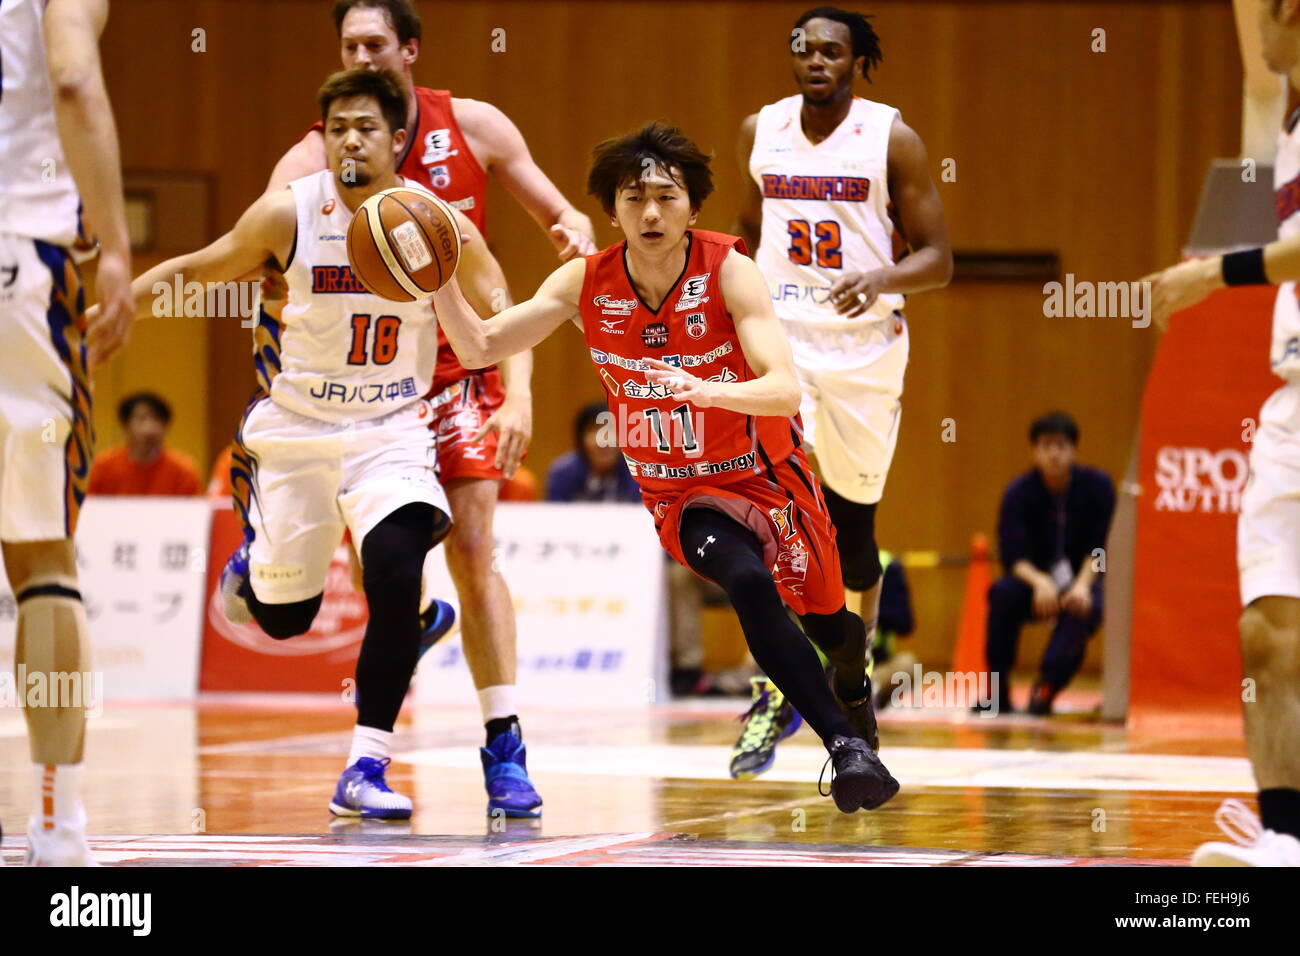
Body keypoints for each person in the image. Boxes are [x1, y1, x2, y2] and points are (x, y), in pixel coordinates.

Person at [432, 121, 900, 814]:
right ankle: (846, 750)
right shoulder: (584, 282)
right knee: (744, 579)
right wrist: (434, 279)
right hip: (682, 493)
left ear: (693, 206)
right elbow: (478, 345)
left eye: (665, 196)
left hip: (766, 474)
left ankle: (853, 694)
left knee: (834, 626)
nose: (650, 212)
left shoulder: (729, 270)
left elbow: (783, 388)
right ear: (611, 209)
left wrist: (707, 390)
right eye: (632, 197)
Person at [110, 68, 514, 820]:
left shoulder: (438, 223)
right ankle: (253, 571)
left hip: (390, 431)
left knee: (396, 574)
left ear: (398, 140)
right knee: (285, 619)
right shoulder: (288, 213)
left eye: (365, 127)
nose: (350, 139)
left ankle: (365, 765)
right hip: (296, 432)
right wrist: (104, 320)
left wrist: (517, 389)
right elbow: (199, 271)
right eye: (336, 128)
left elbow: (501, 307)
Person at [261, 0, 598, 817]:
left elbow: (560, 219)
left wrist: (577, 233)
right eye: (350, 45)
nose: (365, 55)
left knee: (475, 547)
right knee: (386, 574)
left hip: (463, 360)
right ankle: (386, 616)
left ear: (409, 51)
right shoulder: (314, 151)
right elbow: (268, 263)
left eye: (377, 42)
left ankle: (504, 746)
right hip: (365, 388)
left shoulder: (474, 126)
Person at [730, 6, 952, 769]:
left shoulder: (892, 136)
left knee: (855, 541)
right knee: (779, 518)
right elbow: (748, 232)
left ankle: (849, 682)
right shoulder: (760, 129)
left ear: (857, 62)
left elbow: (940, 259)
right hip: (783, 342)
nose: (816, 59)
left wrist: (882, 277)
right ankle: (779, 688)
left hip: (865, 351)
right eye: (804, 49)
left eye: (832, 50)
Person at [1140, 0, 1300, 867]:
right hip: (1291, 394)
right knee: (1268, 636)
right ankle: (1286, 838)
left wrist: (1212, 273)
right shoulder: (1286, 114)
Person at [0, 0, 135, 866]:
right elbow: (74, 75)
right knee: (42, 555)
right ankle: (57, 826)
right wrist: (116, 242)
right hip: (19, 251)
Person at [981, 412, 1114, 716]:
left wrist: (1081, 586)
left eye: (1062, 445)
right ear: (1035, 451)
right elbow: (1011, 554)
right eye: (1046, 445)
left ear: (1074, 450)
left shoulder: (1098, 487)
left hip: (1083, 578)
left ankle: (1046, 687)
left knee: (1087, 607)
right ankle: (997, 691)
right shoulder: (1018, 493)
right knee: (1002, 593)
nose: (1054, 453)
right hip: (1034, 583)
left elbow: (1100, 547)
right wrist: (1041, 582)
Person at [87, 392, 202, 496]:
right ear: (125, 426)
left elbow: (192, 513)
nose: (149, 428)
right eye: (142, 419)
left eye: (157, 419)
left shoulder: (183, 470)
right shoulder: (104, 467)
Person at [545, 402, 641, 503]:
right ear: (581, 438)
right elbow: (555, 516)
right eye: (594, 430)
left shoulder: (639, 474)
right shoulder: (562, 473)